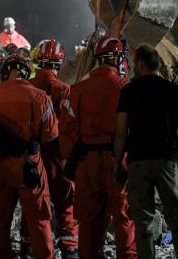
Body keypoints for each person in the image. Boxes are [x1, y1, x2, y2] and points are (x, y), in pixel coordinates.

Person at [113, 45, 178, 259]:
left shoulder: (129, 91)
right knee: (177, 218)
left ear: (140, 64)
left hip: (138, 161)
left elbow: (120, 132)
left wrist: (117, 164)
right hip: (166, 160)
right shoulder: (172, 90)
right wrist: (175, 155)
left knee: (143, 222)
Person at [60, 36, 137, 259]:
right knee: (124, 218)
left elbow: (67, 128)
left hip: (87, 162)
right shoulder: (126, 89)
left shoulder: (77, 90)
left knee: (89, 221)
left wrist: (69, 159)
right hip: (118, 161)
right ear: (117, 59)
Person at [0, 54, 59, 259]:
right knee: (39, 218)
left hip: (1, 163)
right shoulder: (40, 96)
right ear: (27, 71)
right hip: (30, 162)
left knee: (0, 219)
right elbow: (50, 133)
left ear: (5, 71)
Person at [20, 39, 78, 258]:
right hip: (58, 155)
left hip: (31, 155)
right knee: (65, 204)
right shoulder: (64, 90)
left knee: (33, 206)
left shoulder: (27, 87)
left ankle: (28, 248)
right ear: (59, 63)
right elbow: (70, 126)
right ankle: (69, 249)